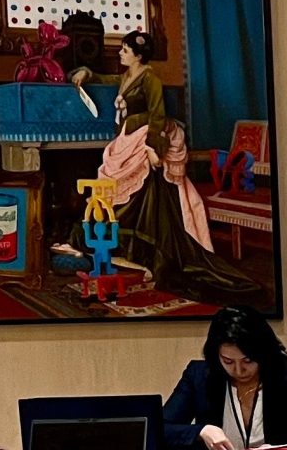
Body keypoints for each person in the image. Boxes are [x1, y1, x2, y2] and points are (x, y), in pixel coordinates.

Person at [66, 30, 260, 306]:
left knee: (148, 200)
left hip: (145, 142)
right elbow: (107, 79)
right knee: (123, 199)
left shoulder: (151, 78)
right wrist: (87, 74)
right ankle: (123, 251)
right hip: (127, 139)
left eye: (124, 49)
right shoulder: (127, 76)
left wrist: (153, 149)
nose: (120, 53)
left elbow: (158, 115)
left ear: (138, 54)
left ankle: (153, 256)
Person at [160, 306, 287, 450]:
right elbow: (159, 429)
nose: (238, 370)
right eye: (228, 361)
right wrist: (200, 431)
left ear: (264, 353)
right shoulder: (199, 377)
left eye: (248, 360)